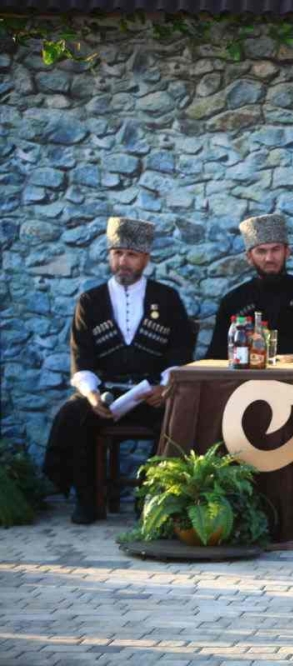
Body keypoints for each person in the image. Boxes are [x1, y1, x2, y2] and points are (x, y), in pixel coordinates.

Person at [42, 217, 195, 525]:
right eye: (117, 253)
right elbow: (81, 356)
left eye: (131, 255)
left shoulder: (167, 299)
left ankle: (150, 499)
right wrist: (92, 394)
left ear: (145, 259)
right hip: (105, 393)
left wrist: (165, 387)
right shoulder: (90, 301)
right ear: (110, 256)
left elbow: (180, 350)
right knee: (73, 415)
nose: (123, 261)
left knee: (178, 418)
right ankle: (86, 500)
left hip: (149, 394)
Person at [206, 214, 293, 359]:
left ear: (287, 252)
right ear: (249, 257)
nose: (269, 258)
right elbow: (216, 358)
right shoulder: (233, 301)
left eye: (275, 249)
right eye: (261, 251)